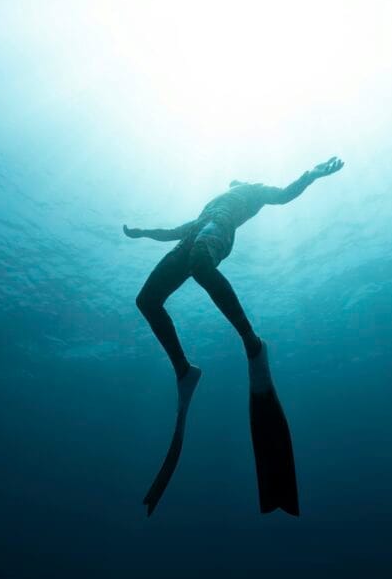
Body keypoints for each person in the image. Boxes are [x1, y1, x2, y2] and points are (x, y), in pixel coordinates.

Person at [124, 156, 344, 515]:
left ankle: (251, 342)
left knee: (200, 264)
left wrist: (312, 174)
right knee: (147, 300)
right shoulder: (213, 201)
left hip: (217, 234)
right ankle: (184, 370)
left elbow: (286, 194)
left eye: (238, 179)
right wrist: (142, 233)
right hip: (196, 230)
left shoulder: (255, 192)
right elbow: (176, 230)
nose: (233, 181)